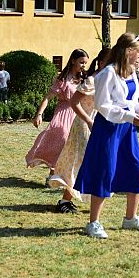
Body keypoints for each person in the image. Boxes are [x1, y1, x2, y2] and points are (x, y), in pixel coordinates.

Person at [74, 33, 139, 239]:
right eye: (138, 51)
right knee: (105, 172)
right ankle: (93, 222)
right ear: (128, 51)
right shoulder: (107, 74)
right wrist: (129, 116)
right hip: (109, 129)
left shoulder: (132, 74)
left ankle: (130, 218)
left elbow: (131, 102)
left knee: (137, 171)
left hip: (126, 129)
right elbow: (103, 106)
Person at [49, 48, 111, 213]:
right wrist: (89, 120)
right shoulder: (92, 80)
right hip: (84, 124)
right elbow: (74, 103)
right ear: (102, 62)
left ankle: (75, 199)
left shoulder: (105, 80)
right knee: (79, 161)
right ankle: (64, 201)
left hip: (96, 124)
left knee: (87, 162)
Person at [25, 49, 89, 184]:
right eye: (81, 62)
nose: (84, 65)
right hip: (63, 113)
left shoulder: (85, 79)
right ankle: (53, 174)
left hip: (79, 113)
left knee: (75, 145)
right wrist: (39, 114)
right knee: (62, 140)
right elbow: (48, 98)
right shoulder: (62, 80)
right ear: (73, 61)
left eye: (85, 63)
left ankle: (68, 176)